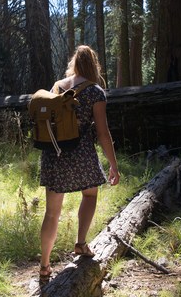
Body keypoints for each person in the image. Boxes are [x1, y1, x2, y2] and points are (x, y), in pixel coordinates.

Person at [38, 45, 120, 283]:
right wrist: (113, 164)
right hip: (82, 154)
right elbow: (103, 133)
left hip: (54, 154)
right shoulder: (95, 92)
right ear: (94, 66)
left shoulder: (57, 86)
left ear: (74, 63)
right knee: (90, 195)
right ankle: (81, 243)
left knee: (51, 213)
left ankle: (44, 266)